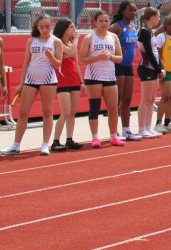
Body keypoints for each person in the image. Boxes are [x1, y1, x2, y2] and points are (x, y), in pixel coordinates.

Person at [1, 14, 63, 155]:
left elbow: (58, 64)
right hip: (30, 79)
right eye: (41, 27)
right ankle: (16, 145)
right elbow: (26, 62)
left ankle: (45, 145)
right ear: (37, 27)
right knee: (23, 112)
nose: (45, 30)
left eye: (47, 27)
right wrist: (21, 83)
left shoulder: (56, 42)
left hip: (48, 80)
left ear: (51, 25)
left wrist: (50, 56)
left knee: (47, 112)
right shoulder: (31, 41)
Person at [79, 11, 124, 147]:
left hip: (109, 76)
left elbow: (119, 58)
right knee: (95, 107)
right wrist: (97, 57)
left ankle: (114, 136)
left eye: (106, 21)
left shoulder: (113, 37)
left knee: (113, 108)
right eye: (101, 21)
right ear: (95, 22)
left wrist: (110, 57)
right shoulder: (89, 38)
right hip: (93, 77)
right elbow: (82, 60)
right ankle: (95, 137)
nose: (104, 24)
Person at [109, 1, 141, 141]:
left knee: (127, 99)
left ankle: (126, 130)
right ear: (123, 11)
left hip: (129, 66)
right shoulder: (117, 27)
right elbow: (102, 36)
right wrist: (115, 49)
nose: (133, 13)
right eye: (130, 10)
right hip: (118, 66)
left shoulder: (133, 27)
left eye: (135, 11)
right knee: (117, 99)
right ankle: (114, 131)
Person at [51, 19, 84, 151]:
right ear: (64, 29)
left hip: (74, 79)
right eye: (71, 27)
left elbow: (76, 63)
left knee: (72, 112)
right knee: (65, 112)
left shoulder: (71, 43)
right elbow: (70, 52)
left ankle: (69, 139)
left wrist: (81, 81)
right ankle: (55, 141)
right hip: (63, 80)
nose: (74, 30)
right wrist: (76, 39)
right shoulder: (58, 42)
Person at [135, 7, 164, 138]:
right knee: (145, 99)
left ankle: (148, 127)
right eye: (158, 17)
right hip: (146, 68)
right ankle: (142, 129)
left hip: (153, 69)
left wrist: (160, 67)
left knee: (151, 100)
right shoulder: (144, 32)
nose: (159, 19)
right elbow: (149, 53)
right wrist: (158, 69)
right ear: (152, 17)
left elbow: (156, 52)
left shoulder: (150, 32)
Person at [153, 15, 171, 133]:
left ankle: (168, 122)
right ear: (165, 26)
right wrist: (159, 71)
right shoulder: (161, 37)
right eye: (170, 24)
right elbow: (158, 56)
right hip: (166, 71)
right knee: (165, 96)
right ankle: (158, 123)